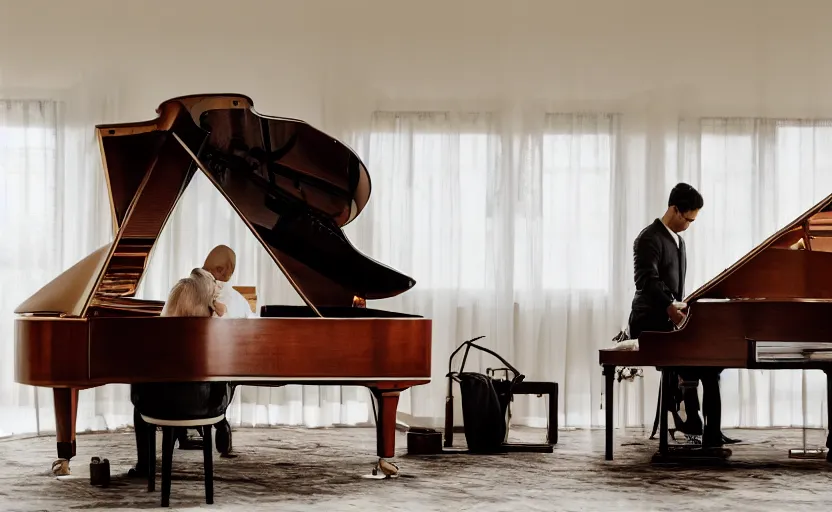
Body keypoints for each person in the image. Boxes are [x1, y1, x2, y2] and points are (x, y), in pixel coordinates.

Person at [627, 182, 737, 450]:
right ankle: (696, 426)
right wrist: (671, 310)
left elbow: (676, 290)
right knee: (702, 364)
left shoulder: (680, 241)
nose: (689, 225)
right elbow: (645, 281)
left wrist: (684, 309)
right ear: (675, 210)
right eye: (688, 219)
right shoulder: (648, 238)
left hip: (669, 318)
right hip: (649, 321)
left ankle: (704, 429)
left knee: (711, 362)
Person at [129, 268, 231, 477]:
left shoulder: (156, 334)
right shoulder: (217, 332)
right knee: (224, 381)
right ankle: (219, 428)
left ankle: (144, 465)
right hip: (206, 406)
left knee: (142, 401)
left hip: (159, 406)